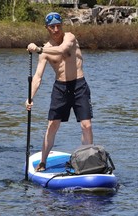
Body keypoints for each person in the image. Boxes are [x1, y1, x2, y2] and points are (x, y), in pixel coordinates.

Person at [26, 12, 93, 171]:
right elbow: (37, 77)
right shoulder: (46, 50)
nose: (56, 29)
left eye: (58, 25)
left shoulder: (70, 37)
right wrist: (30, 97)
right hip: (60, 88)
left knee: (86, 125)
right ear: (47, 28)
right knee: (52, 125)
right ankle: (43, 162)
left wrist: (38, 49)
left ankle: (89, 161)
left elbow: (63, 50)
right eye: (52, 27)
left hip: (79, 85)